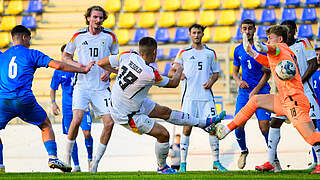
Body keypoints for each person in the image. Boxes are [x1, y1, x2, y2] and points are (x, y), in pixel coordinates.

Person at [97, 37, 226, 174]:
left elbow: (100, 62)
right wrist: (180, 70)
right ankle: (162, 168)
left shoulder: (127, 55)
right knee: (164, 135)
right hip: (128, 115)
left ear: (140, 51)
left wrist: (118, 72)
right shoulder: (149, 73)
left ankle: (203, 123)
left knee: (165, 112)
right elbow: (173, 83)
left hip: (125, 102)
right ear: (154, 52)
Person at [215, 25, 320, 174]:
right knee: (255, 100)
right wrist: (252, 51)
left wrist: (263, 47)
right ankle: (227, 129)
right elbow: (267, 61)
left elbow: (272, 50)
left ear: (280, 39)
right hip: (284, 100)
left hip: (294, 101)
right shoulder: (284, 52)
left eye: (270, 38)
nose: (268, 40)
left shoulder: (279, 49)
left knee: (311, 137)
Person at [0, 25, 94, 172]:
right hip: (24, 100)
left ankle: (0, 164)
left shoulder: (2, 56)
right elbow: (58, 66)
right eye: (29, 39)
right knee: (45, 125)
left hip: (3, 101)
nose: (30, 43)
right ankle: (52, 157)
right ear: (24, 38)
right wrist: (82, 69)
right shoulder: (32, 54)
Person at [255, 20, 319, 172]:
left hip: (305, 92)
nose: (288, 33)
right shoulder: (278, 49)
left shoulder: (304, 43)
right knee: (275, 122)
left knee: (313, 127)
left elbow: (313, 64)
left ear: (294, 31)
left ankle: (318, 162)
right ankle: (271, 162)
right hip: (286, 96)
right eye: (286, 30)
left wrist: (298, 81)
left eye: (290, 30)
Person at [61, 5, 119, 172]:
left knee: (109, 122)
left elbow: (115, 60)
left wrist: (109, 74)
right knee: (77, 119)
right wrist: (80, 66)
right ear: (88, 18)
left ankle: (95, 163)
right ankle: (66, 159)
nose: (98, 20)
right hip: (82, 85)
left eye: (100, 18)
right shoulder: (78, 35)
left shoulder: (110, 36)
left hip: (101, 88)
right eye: (94, 17)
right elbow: (65, 56)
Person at [167, 24, 227, 172]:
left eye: (199, 32)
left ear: (202, 34)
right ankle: (183, 164)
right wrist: (179, 75)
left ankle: (216, 162)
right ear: (190, 34)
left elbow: (216, 73)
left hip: (206, 97)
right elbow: (171, 71)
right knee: (187, 129)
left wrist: (211, 82)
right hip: (189, 97)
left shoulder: (210, 53)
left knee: (213, 128)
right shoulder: (183, 53)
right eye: (194, 32)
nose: (196, 35)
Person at [232, 19, 272, 170]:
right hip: (244, 93)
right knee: (238, 124)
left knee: (264, 127)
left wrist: (255, 91)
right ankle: (243, 151)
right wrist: (238, 81)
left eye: (250, 28)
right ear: (241, 30)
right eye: (244, 29)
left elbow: (267, 74)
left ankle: (272, 157)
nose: (247, 31)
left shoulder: (261, 48)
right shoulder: (238, 50)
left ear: (255, 30)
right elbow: (235, 72)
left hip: (261, 91)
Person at [50, 44, 94, 172]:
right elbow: (53, 89)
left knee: (87, 133)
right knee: (71, 135)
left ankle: (90, 160)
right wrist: (53, 102)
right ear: (62, 55)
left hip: (82, 105)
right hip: (68, 108)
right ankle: (76, 165)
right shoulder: (58, 70)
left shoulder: (78, 66)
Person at [311, 47, 320, 169]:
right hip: (314, 108)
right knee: (314, 133)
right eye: (316, 55)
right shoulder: (311, 73)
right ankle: (315, 161)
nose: (318, 57)